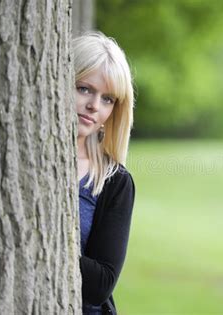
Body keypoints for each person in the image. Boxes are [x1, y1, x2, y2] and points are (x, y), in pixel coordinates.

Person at [74, 31, 135, 315]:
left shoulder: (115, 181)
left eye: (107, 98)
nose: (94, 106)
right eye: (84, 88)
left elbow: (101, 284)